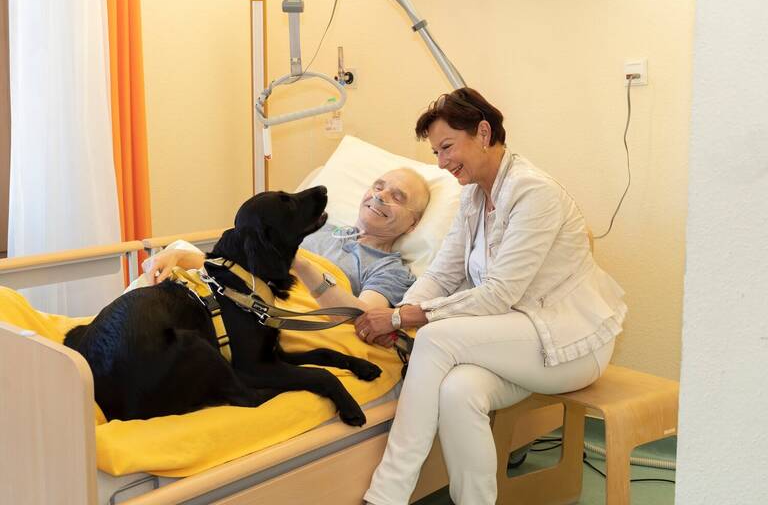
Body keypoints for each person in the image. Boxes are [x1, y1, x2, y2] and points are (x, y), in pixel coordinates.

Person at [355, 88, 627, 505]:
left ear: (483, 133)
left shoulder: (534, 192)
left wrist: (402, 320)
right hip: (512, 343)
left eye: (447, 147)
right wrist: (398, 310)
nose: (442, 162)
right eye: (436, 152)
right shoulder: (473, 197)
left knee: (433, 337)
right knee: (458, 392)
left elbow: (500, 294)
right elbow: (442, 275)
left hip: (569, 344)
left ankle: (385, 497)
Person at [145, 168, 430, 346]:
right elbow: (244, 269)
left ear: (413, 223)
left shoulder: (390, 269)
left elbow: (363, 316)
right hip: (235, 298)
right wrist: (180, 256)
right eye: (378, 186)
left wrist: (300, 263)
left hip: (274, 315)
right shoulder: (319, 226)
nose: (380, 196)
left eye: (397, 197)